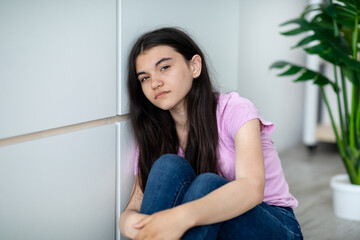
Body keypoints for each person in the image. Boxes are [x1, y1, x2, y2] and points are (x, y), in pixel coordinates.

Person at [119, 27, 303, 240]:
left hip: (274, 225)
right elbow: (133, 207)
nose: (154, 83)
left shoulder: (236, 110)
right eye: (144, 78)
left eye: (164, 67)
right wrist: (131, 223)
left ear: (194, 66)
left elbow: (251, 188)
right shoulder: (153, 132)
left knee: (207, 185)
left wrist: (180, 218)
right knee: (167, 165)